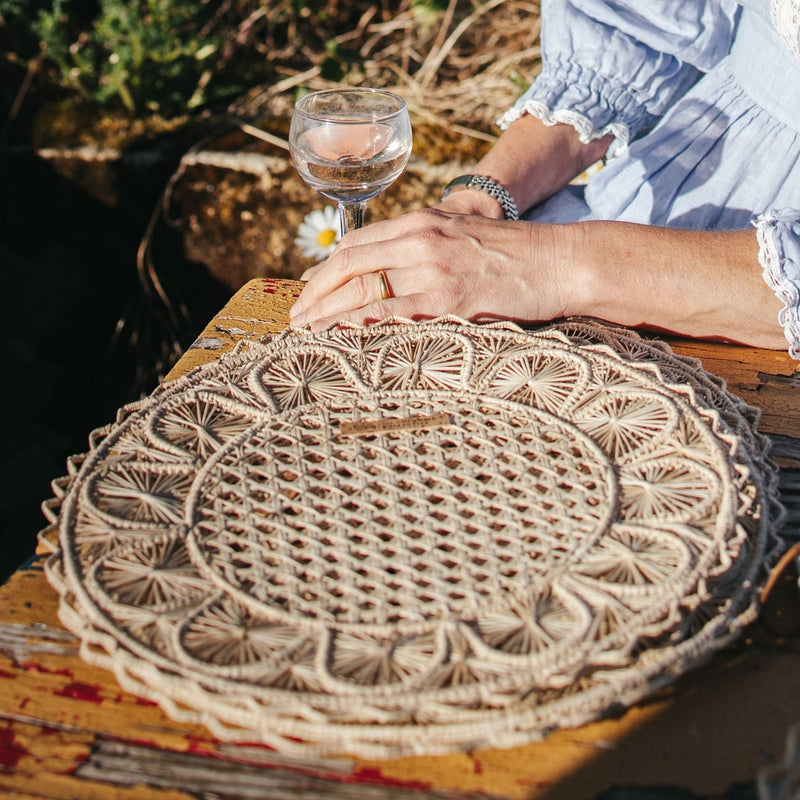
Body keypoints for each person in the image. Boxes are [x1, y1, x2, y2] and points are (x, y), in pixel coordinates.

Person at [289, 0, 800, 359]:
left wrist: (545, 266)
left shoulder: (554, 263)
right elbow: (636, 31)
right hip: (655, 194)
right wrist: (484, 197)